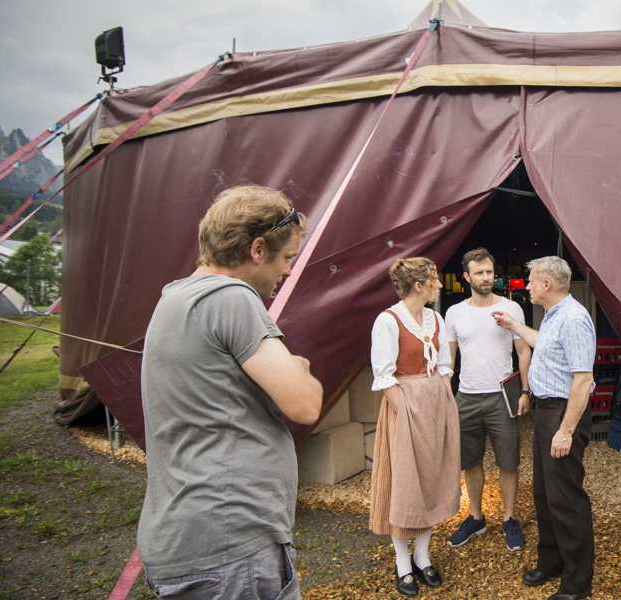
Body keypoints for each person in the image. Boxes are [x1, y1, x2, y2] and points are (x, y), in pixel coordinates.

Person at [138, 185, 324, 600]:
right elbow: (305, 403)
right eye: (287, 256)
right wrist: (299, 367)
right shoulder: (231, 297)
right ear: (258, 250)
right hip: (229, 547)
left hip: (193, 538)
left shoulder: (177, 296)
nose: (289, 270)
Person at [492, 256, 595, 600]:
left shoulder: (575, 319)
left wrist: (565, 431)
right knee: (544, 494)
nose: (529, 285)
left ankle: (577, 583)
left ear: (547, 285)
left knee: (566, 498)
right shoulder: (555, 316)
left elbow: (583, 381)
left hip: (564, 413)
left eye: (532, 280)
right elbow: (544, 343)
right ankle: (552, 561)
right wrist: (513, 326)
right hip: (547, 411)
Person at [369, 257, 461, 598]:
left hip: (435, 405)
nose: (440, 286)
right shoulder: (388, 321)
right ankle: (402, 562)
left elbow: (445, 365)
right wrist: (409, 410)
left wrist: (442, 398)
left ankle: (423, 557)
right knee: (405, 483)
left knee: (432, 479)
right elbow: (383, 375)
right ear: (418, 286)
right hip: (404, 407)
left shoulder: (435, 317)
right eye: (435, 281)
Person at [443, 248, 532, 551]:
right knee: (470, 462)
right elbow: (449, 360)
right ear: (467, 276)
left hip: (501, 397)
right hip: (466, 397)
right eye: (479, 273)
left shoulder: (511, 309)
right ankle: (476, 517)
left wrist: (525, 391)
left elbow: (523, 351)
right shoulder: (454, 313)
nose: (485, 278)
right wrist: (446, 397)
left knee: (508, 462)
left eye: (489, 272)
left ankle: (509, 519)